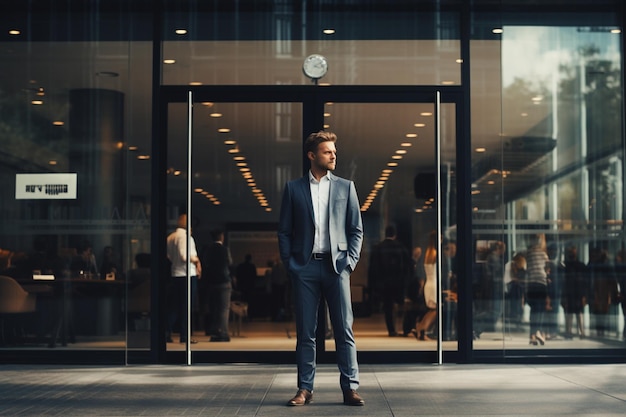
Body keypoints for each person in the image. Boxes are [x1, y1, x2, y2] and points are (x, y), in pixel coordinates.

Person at [277, 130, 365, 407]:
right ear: (312, 155)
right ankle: (305, 388)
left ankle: (350, 387)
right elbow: (284, 231)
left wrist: (349, 262)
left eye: (334, 151)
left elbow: (356, 230)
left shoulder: (345, 187)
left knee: (344, 330)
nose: (333, 155)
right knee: (306, 332)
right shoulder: (293, 189)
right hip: (304, 268)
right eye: (328, 152)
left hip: (337, 268)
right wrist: (291, 264)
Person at [367, 225, 411, 336]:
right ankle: (404, 328)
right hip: (399, 282)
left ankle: (391, 329)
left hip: (384, 283)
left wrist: (372, 285)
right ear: (395, 235)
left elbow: (373, 268)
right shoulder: (400, 247)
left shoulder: (378, 248)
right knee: (401, 304)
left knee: (388, 306)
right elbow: (407, 265)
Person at [166, 213, 201, 344]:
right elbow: (184, 256)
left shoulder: (171, 237)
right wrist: (196, 260)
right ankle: (185, 335)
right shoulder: (186, 237)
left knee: (174, 306)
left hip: (175, 274)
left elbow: (169, 256)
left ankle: (166, 332)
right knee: (187, 306)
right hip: (187, 274)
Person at [201, 229, 232, 342]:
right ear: (221, 237)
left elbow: (205, 263)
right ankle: (223, 333)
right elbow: (229, 263)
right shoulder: (224, 249)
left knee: (213, 307)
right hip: (223, 281)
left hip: (211, 282)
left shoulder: (208, 249)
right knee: (224, 308)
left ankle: (213, 331)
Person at [412, 230, 438, 341]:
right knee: (435, 310)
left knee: (431, 309)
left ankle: (420, 327)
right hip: (434, 285)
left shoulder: (428, 253)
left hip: (428, 283)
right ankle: (424, 329)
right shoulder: (437, 254)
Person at [525, 234, 549, 346]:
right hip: (541, 283)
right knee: (540, 310)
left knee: (533, 310)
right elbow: (547, 268)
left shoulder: (528, 254)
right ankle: (538, 331)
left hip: (530, 284)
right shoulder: (543, 254)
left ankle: (532, 335)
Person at [561, 246, 587, 339]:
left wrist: (584, 294)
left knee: (576, 312)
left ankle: (577, 332)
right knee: (572, 312)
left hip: (577, 292)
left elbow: (584, 281)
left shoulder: (571, 266)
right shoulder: (568, 266)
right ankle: (574, 332)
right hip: (571, 292)